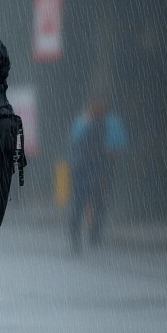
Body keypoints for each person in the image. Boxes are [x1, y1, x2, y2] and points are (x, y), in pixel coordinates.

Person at [67, 96, 128, 254]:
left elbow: (115, 147)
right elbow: (78, 145)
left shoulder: (106, 124)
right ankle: (80, 236)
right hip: (87, 169)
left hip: (94, 169)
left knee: (94, 202)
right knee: (83, 203)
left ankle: (89, 234)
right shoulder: (86, 123)